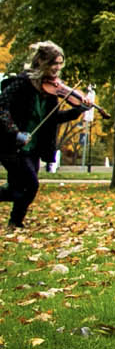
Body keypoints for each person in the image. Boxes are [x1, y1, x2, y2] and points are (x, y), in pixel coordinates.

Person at [0, 42, 91, 229]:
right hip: (12, 144)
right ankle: (15, 222)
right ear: (41, 61)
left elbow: (53, 118)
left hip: (33, 147)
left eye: (60, 64)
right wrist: (15, 132)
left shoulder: (51, 90)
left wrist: (79, 110)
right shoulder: (22, 83)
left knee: (15, 188)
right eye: (53, 64)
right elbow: (2, 108)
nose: (57, 68)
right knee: (31, 185)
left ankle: (15, 222)